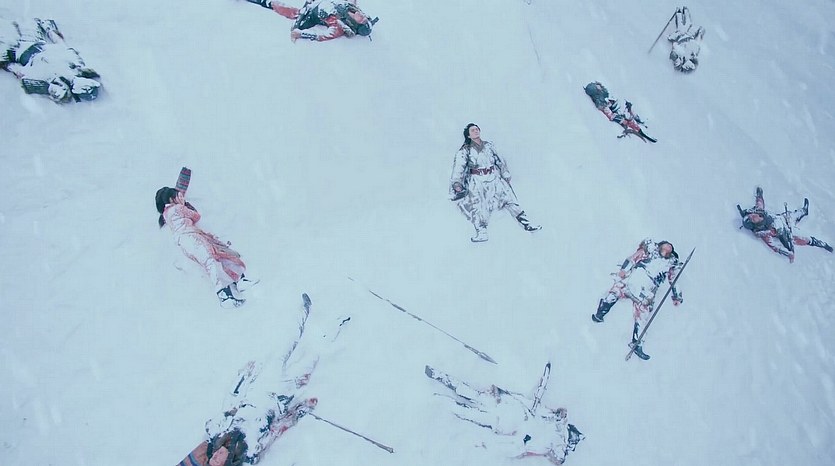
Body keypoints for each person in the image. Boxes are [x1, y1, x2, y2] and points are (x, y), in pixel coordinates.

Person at [425, 365, 583, 465]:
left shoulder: (553, 423)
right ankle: (439, 398)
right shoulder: (553, 438)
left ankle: (440, 382)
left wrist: (503, 394)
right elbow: (535, 451)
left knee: (472, 397)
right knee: (470, 411)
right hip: (507, 420)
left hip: (509, 412)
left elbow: (532, 405)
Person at [155, 168, 257, 309]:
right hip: (191, 237)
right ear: (172, 199)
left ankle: (238, 281)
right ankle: (225, 294)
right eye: (178, 196)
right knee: (212, 260)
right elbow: (196, 216)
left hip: (186, 241)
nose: (181, 197)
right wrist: (185, 205)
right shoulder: (178, 208)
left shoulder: (166, 215)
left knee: (216, 257)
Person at [591, 239, 684, 360]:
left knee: (642, 316)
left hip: (647, 290)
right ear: (660, 246)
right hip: (634, 279)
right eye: (665, 247)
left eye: (669, 249)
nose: (667, 250)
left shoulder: (670, 264)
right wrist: (624, 270)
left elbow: (674, 280)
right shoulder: (650, 250)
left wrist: (677, 296)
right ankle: (600, 313)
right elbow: (633, 259)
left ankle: (637, 344)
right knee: (616, 291)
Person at [450, 123, 541, 242]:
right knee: (479, 207)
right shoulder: (465, 151)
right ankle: (482, 233)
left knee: (510, 200)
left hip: (494, 178)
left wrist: (505, 172)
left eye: (477, 129)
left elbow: (499, 160)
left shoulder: (489, 146)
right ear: (468, 135)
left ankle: (527, 224)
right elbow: (459, 167)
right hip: (477, 181)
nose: (476, 131)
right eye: (473, 130)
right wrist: (457, 183)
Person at [0, 17, 101, 103]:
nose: (85, 85)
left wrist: (8, 65)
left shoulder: (58, 88)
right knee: (26, 22)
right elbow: (61, 44)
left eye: (84, 89)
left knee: (4, 34)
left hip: (17, 53)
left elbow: (25, 79)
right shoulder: (77, 64)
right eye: (89, 86)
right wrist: (50, 29)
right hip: (34, 40)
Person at [737, 187, 832, 263]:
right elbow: (774, 247)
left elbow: (759, 203)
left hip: (784, 218)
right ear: (754, 224)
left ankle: (804, 211)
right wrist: (788, 254)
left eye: (750, 216)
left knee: (795, 214)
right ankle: (822, 244)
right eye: (752, 219)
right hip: (787, 233)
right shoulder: (763, 232)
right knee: (805, 239)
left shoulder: (758, 211)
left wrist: (759, 195)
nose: (753, 216)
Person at [243, 0, 378, 42]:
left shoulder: (339, 26)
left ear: (355, 24)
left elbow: (321, 36)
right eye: (365, 16)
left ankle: (265, 2)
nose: (362, 15)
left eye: (361, 19)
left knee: (288, 10)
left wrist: (300, 34)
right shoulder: (351, 7)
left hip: (310, 14)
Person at [583, 82, 655, 143]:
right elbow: (610, 115)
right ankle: (640, 130)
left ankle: (638, 120)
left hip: (622, 106)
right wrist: (622, 120)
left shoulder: (604, 91)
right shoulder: (601, 102)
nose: (599, 86)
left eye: (597, 85)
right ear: (596, 91)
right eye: (596, 87)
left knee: (630, 111)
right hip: (619, 112)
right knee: (629, 119)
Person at [667, 7, 705, 73]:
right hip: (688, 36)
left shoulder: (681, 57)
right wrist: (700, 33)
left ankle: (679, 13)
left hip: (681, 37)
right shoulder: (693, 53)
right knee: (687, 25)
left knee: (682, 28)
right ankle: (684, 11)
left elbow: (674, 50)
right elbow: (697, 43)